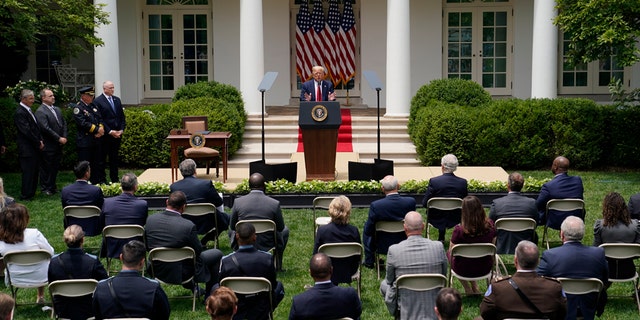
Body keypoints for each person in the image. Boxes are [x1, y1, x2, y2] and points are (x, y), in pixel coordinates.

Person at [145, 191, 223, 295]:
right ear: (184, 207)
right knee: (217, 254)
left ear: (167, 202)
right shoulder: (188, 226)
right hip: (183, 272)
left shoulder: (150, 220)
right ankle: (210, 294)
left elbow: (147, 246)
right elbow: (198, 250)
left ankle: (195, 289)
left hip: (157, 269)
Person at [537, 216, 608, 320]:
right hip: (588, 306)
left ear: (561, 234)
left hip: (559, 308)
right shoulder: (598, 254)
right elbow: (605, 280)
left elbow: (537, 280)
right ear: (583, 234)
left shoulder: (550, 256)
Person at [380, 211, 448, 319]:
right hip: (433, 298)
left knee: (384, 285)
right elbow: (444, 275)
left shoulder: (394, 250)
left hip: (406, 301)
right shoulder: (438, 247)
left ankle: (399, 314)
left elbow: (389, 280)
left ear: (405, 228)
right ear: (423, 226)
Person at [480, 240, 566, 320]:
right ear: (538, 262)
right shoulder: (554, 287)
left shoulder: (498, 287)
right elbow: (563, 313)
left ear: (515, 260)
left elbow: (485, 312)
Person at [218, 222, 285, 320]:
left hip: (236, 307)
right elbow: (272, 285)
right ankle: (265, 313)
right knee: (279, 287)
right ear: (254, 237)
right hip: (260, 308)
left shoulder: (226, 261)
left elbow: (222, 287)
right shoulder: (267, 259)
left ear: (237, 236)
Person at [93, 240, 170, 320]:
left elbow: (97, 314)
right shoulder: (154, 288)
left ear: (121, 257)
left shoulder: (102, 287)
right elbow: (164, 314)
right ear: (142, 262)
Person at [48, 225, 108, 320]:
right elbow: (105, 284)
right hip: (89, 310)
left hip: (63, 311)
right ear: (82, 240)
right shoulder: (93, 261)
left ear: (65, 240)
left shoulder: (54, 262)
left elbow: (51, 284)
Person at [230, 173, 289, 269]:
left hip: (244, 239)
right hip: (267, 242)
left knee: (231, 231)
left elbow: (232, 226)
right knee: (285, 231)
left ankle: (237, 257)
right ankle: (277, 264)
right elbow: (281, 227)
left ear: (249, 186)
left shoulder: (238, 202)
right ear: (264, 186)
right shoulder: (274, 204)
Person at [0, 203, 54, 304]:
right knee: (48, 259)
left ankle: (39, 296)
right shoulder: (34, 234)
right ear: (24, 219)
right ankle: (40, 295)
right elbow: (50, 252)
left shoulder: (1, 240)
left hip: (15, 278)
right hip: (42, 276)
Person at [170, 159, 229, 245]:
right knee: (226, 218)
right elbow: (219, 203)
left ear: (181, 172)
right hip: (206, 221)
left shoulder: (174, 186)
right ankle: (205, 240)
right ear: (195, 170)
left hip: (184, 220)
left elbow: (173, 207)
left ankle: (191, 242)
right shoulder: (206, 184)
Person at [363, 175, 415, 268]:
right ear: (398, 186)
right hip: (404, 240)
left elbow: (369, 230)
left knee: (366, 229)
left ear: (382, 189)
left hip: (381, 244)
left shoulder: (376, 206)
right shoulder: (410, 202)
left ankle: (369, 261)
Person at [289, 253, 362, 320]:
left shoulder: (299, 302)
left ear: (310, 273)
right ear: (331, 270)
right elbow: (357, 313)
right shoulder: (350, 295)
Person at [448, 195, 496, 295]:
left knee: (448, 254)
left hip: (463, 270)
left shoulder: (459, 231)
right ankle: (474, 285)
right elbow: (493, 249)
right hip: (484, 267)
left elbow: (452, 252)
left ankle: (467, 288)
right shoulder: (491, 226)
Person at [313, 195, 361, 284]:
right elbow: (358, 257)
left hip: (327, 270)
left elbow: (315, 255)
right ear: (348, 211)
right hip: (349, 270)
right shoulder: (354, 231)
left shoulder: (322, 231)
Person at [593, 192, 640, 280]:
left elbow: (596, 251)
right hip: (628, 272)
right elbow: (637, 252)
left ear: (606, 208)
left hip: (606, 272)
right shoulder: (635, 226)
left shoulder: (600, 226)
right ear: (624, 208)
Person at [422, 154, 468, 241]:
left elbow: (425, 203)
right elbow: (466, 203)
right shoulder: (462, 182)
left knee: (441, 211)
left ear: (442, 166)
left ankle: (441, 237)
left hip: (436, 217)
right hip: (456, 217)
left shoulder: (434, 181)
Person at [488, 172, 538, 254]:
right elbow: (536, 222)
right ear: (522, 186)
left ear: (508, 186)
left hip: (503, 242)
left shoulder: (497, 203)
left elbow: (491, 224)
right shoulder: (531, 203)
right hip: (526, 240)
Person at [100, 173, 148, 258]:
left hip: (112, 247)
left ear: (121, 186)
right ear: (135, 187)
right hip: (135, 247)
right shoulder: (142, 205)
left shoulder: (107, 202)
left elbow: (102, 223)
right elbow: (143, 223)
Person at [535, 156, 584, 229]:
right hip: (575, 219)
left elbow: (538, 205)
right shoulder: (578, 181)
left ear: (555, 167)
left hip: (555, 221)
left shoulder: (548, 186)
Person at [35, 88, 67, 196]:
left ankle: (52, 186)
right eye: (50, 96)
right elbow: (45, 128)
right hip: (48, 145)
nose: (53, 97)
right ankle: (45, 188)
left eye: (53, 95)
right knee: (46, 167)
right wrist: (58, 138)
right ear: (43, 98)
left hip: (58, 145)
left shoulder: (57, 109)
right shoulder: (40, 111)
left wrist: (64, 136)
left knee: (54, 167)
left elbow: (63, 123)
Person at [14, 89, 44, 201]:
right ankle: (26, 194)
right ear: (23, 99)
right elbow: (26, 131)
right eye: (31, 98)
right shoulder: (20, 112)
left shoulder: (28, 110)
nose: (33, 100)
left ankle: (31, 192)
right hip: (27, 148)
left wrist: (40, 140)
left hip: (34, 147)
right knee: (28, 171)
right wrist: (38, 141)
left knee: (34, 171)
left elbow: (35, 128)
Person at [93, 81, 125, 183]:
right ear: (105, 89)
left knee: (114, 159)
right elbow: (100, 119)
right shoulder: (98, 101)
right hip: (106, 136)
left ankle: (115, 179)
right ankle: (102, 180)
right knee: (102, 159)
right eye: (110, 88)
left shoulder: (117, 100)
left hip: (117, 135)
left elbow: (121, 117)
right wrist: (110, 131)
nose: (112, 89)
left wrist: (121, 130)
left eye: (113, 87)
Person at [61, 161, 105, 234]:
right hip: (93, 228)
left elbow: (65, 208)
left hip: (72, 226)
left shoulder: (66, 190)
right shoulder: (95, 190)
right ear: (87, 174)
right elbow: (101, 208)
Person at [73, 86, 105, 185]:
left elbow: (100, 118)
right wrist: (96, 130)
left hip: (96, 140)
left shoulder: (93, 106)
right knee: (85, 164)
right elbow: (83, 123)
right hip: (85, 141)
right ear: (83, 96)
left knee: (97, 163)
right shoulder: (78, 108)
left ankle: (97, 181)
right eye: (90, 95)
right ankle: (85, 184)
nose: (92, 97)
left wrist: (101, 128)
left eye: (92, 95)